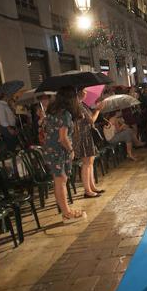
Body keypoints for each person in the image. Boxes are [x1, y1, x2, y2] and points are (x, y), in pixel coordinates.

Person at [43, 86, 86, 224]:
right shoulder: (65, 114)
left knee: (60, 181)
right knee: (61, 181)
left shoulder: (52, 111)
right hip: (59, 151)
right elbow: (63, 138)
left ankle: (66, 210)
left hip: (51, 150)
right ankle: (66, 214)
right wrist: (71, 149)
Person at [73, 89, 105, 198]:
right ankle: (87, 190)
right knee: (86, 163)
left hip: (87, 136)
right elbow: (91, 120)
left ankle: (92, 186)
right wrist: (98, 110)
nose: (86, 92)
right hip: (83, 137)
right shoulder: (78, 106)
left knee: (90, 162)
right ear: (79, 93)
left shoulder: (82, 104)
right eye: (84, 90)